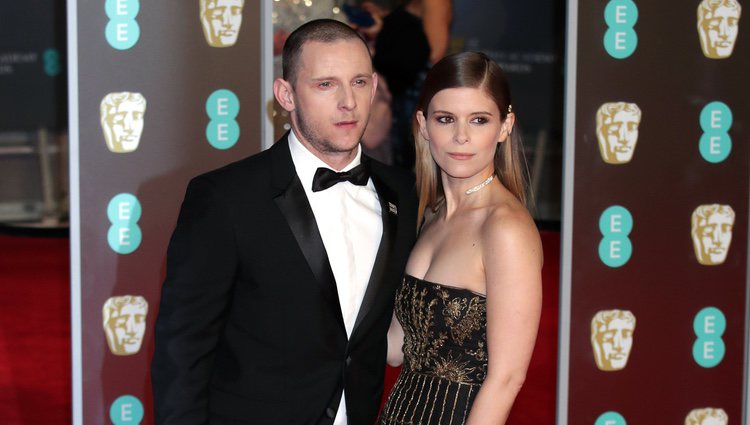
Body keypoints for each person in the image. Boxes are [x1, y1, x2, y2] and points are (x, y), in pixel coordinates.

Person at [151, 19, 418, 425]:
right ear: (286, 95)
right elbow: (182, 349)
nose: (348, 102)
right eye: (325, 84)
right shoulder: (225, 198)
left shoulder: (403, 192)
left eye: (360, 82)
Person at [379, 51, 542, 424]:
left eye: (479, 120)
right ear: (423, 124)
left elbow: (506, 379)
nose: (461, 136)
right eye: (446, 119)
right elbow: (395, 349)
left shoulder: (505, 229)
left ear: (505, 126)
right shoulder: (431, 215)